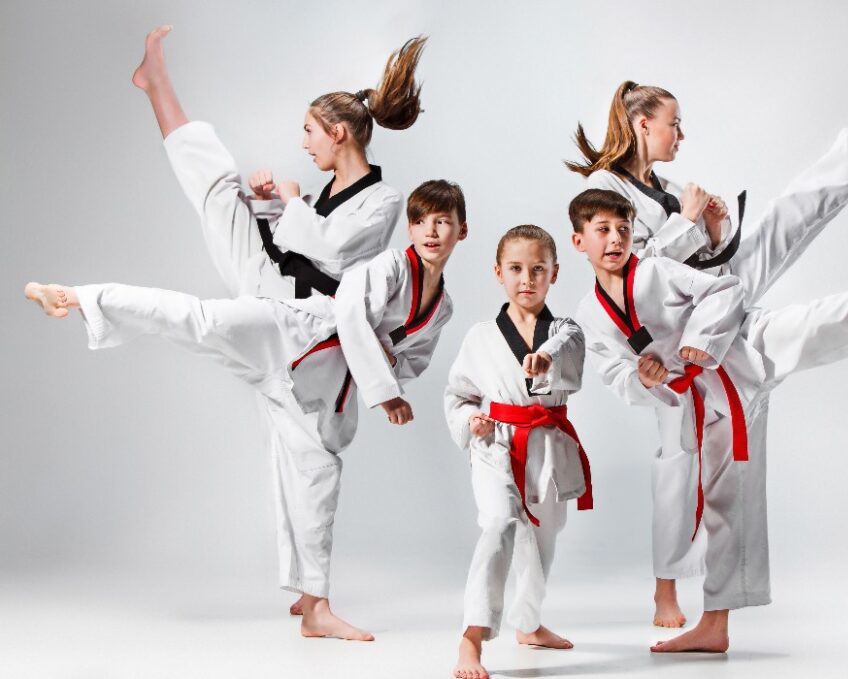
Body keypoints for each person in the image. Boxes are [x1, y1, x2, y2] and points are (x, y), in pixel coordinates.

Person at [566, 61, 848, 627]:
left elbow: (682, 263)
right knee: (706, 475)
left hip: (712, 301)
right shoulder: (606, 194)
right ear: (642, 123)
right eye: (673, 123)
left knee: (790, 214)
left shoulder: (662, 188)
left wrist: (711, 229)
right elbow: (636, 279)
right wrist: (690, 224)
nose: (680, 135)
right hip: (682, 336)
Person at [24, 179, 468, 641]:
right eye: (420, 222)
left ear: (462, 230)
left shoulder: (444, 307)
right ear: (410, 228)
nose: (431, 231)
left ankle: (314, 603)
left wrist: (389, 372)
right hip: (292, 333)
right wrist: (385, 389)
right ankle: (74, 295)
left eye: (443, 222)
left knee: (318, 479)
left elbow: (413, 360)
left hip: (323, 386)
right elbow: (352, 314)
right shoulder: (392, 265)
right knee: (202, 320)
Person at [568, 188, 848, 651]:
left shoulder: (655, 270)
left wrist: (701, 340)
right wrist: (644, 377)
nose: (615, 239)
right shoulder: (589, 314)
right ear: (579, 241)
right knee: (723, 506)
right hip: (707, 405)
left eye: (623, 229)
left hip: (743, 350)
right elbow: (615, 373)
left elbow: (724, 288)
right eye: (602, 231)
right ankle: (714, 626)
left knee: (822, 323)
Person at [131, 25, 428, 629]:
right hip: (272, 285)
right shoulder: (322, 192)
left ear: (338, 132)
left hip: (301, 323)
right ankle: (157, 88)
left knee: (306, 457)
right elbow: (301, 243)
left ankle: (310, 597)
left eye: (310, 131)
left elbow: (332, 252)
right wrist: (271, 203)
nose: (306, 142)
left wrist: (290, 202)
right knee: (222, 190)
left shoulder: (385, 199)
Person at [445, 226, 589, 679]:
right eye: (516, 269)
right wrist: (471, 421)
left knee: (542, 542)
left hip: (546, 442)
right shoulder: (481, 336)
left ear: (554, 274)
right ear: (498, 273)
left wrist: (544, 357)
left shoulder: (565, 330)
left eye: (538, 269)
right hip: (495, 444)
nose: (527, 279)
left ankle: (527, 624)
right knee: (500, 523)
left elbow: (566, 350)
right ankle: (472, 636)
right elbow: (459, 394)